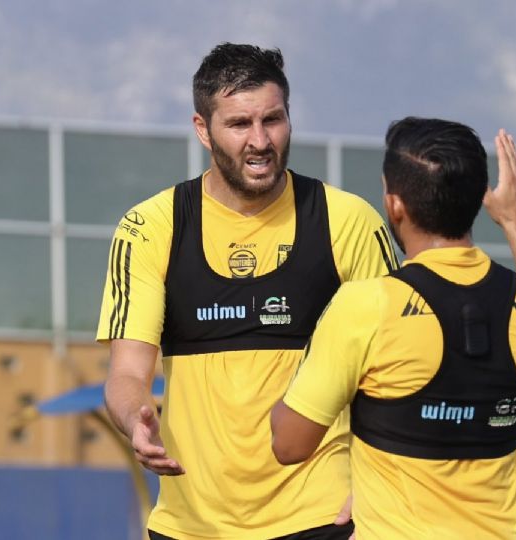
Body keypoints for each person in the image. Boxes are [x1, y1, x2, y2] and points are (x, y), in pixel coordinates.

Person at [97, 43, 400, 539]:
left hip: (323, 515)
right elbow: (127, 372)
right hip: (191, 525)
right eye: (239, 124)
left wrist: (379, 483)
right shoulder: (150, 228)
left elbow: (401, 365)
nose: (260, 141)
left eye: (273, 120)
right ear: (203, 129)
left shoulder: (347, 221)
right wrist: (136, 420)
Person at [270, 118, 516, 539]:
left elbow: (289, 445)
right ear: (477, 199)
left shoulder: (367, 305)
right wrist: (515, 224)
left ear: (394, 203)